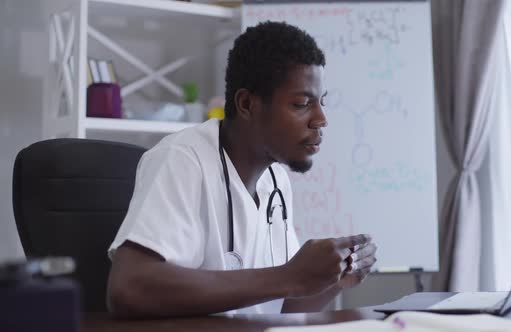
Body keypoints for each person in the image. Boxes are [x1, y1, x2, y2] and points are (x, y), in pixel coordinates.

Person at [106, 21, 377, 318]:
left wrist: (334, 280)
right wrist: (290, 275)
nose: (321, 119)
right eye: (302, 103)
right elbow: (129, 287)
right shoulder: (182, 159)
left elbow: (283, 305)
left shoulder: (276, 181)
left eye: (322, 102)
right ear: (247, 104)